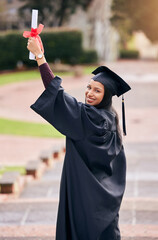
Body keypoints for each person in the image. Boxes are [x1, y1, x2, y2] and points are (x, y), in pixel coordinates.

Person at [27, 37, 131, 240]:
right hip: (105, 199)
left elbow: (56, 95)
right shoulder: (110, 119)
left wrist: (40, 57)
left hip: (84, 196)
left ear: (107, 95)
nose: (89, 93)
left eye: (97, 90)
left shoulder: (91, 118)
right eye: (89, 87)